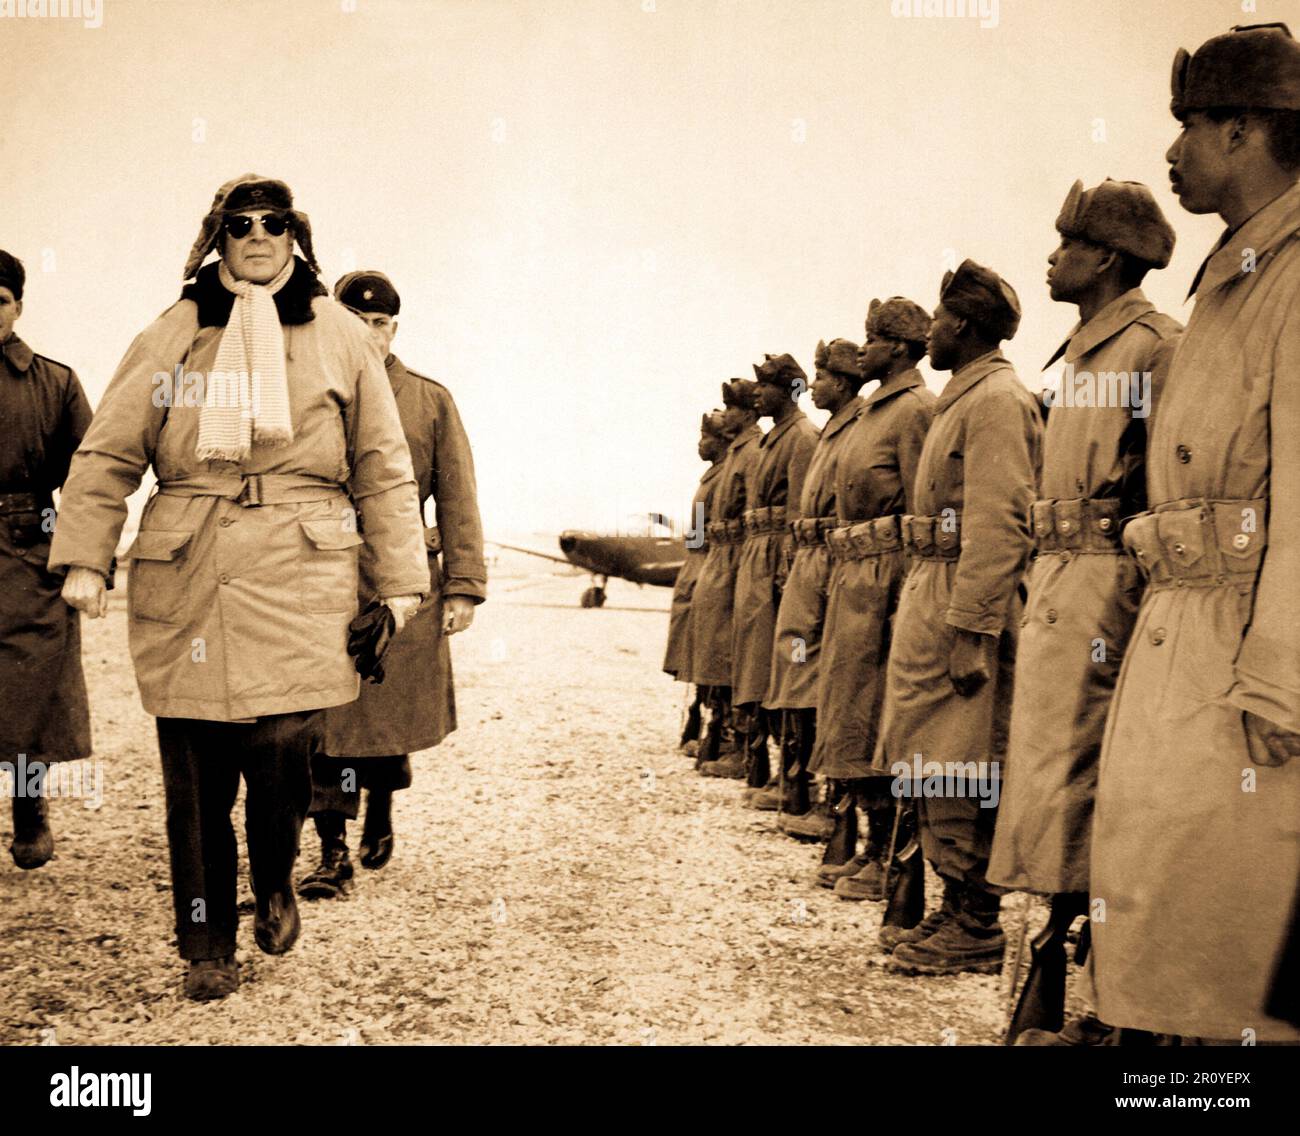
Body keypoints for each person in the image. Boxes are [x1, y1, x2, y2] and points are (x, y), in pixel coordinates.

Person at [50, 175, 428, 1001]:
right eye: (240, 224)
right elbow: (111, 450)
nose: (258, 235)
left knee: (283, 747)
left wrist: (399, 588)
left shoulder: (338, 335)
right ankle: (206, 945)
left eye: (275, 222)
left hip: (302, 569)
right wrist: (85, 554)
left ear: (297, 235)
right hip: (191, 570)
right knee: (194, 775)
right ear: (216, 239)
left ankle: (278, 876)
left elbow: (384, 469)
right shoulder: (174, 333)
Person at [1090, 23, 1300, 1044]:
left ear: (1245, 128)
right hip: (1188, 631)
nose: (1170, 155)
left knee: (1228, 942)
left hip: (1243, 659)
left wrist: (1281, 678)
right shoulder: (1233, 273)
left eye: (1188, 129)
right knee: (1165, 898)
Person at [988, 179, 1181, 1045]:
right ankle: (1077, 996)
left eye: (1067, 243)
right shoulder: (1083, 357)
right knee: (1055, 794)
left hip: (1110, 595)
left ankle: (1113, 1011)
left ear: (1105, 257)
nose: (1052, 256)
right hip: (1062, 587)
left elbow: (1164, 490)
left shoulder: (1152, 349)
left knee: (1100, 795)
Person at [874, 260, 1041, 976]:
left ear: (962, 325)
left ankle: (976, 919)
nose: (928, 332)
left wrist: (976, 628)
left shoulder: (997, 399)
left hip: (961, 597)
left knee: (963, 759)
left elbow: (1001, 521)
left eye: (938, 320)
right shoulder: (962, 398)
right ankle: (954, 905)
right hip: (934, 586)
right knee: (934, 753)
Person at [298, 270, 486, 898]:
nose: (371, 334)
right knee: (325, 719)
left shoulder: (430, 401)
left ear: (394, 329)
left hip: (401, 583)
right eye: (358, 322)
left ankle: (380, 801)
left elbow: (458, 498)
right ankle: (331, 852)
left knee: (386, 715)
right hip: (320, 575)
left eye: (381, 324)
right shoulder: (310, 390)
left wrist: (462, 586)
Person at [809, 299, 935, 897]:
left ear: (904, 349)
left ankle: (887, 854)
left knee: (879, 714)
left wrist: (905, 595)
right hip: (854, 575)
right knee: (849, 710)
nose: (865, 350)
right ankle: (864, 839)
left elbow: (922, 509)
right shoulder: (872, 413)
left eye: (876, 339)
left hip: (887, 581)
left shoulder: (913, 410)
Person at [0, 249, 94, 869]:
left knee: (29, 682)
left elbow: (91, 474)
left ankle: (29, 808)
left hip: (25, 540)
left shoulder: (53, 381)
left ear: (18, 307)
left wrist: (80, 553)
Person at [757, 339, 863, 831]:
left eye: (821, 377)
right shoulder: (827, 433)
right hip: (807, 564)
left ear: (840, 383)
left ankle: (820, 796)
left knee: (817, 676)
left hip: (826, 564)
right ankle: (796, 784)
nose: (815, 385)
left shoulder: (812, 434)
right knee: (797, 668)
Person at [729, 355, 818, 792]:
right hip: (757, 554)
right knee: (758, 662)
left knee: (787, 665)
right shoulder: (768, 442)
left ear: (790, 390)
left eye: (766, 386)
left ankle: (795, 777)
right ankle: (761, 760)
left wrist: (790, 568)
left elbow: (801, 510)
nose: (757, 392)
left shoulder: (801, 437)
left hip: (778, 557)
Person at [693, 380, 761, 775]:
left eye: (732, 409)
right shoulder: (735, 455)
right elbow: (700, 529)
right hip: (720, 559)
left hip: (738, 560)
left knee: (734, 654)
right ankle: (722, 735)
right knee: (717, 651)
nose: (728, 416)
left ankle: (738, 743)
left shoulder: (749, 452)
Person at [662, 410, 731, 757]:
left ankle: (724, 732)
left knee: (714, 652)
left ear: (721, 441)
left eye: (706, 437)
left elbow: (712, 532)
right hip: (698, 563)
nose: (699, 443)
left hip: (709, 564)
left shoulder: (722, 477)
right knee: (698, 650)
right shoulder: (712, 477)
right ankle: (705, 723)